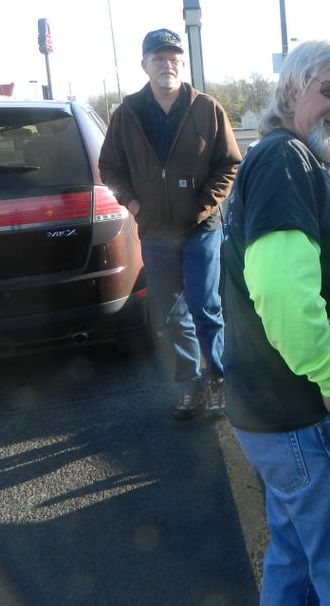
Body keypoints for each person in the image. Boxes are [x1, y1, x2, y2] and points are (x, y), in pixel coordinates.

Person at [220, 40, 330, 605]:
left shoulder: (281, 157)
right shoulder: (286, 161)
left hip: (272, 417)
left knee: (293, 558)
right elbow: (280, 291)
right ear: (293, 89)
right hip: (307, 422)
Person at [99, 28, 241, 420]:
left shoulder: (207, 109)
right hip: (156, 233)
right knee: (171, 316)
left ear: (183, 63)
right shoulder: (127, 113)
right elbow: (109, 167)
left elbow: (229, 164)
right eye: (159, 58)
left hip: (201, 230)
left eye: (174, 58)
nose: (168, 65)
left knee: (206, 309)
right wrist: (133, 204)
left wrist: (202, 205)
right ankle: (190, 385)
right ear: (144, 65)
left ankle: (218, 380)